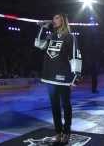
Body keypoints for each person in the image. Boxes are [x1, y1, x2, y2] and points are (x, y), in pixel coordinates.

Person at [34, 13, 82, 145]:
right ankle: (58, 132)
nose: (54, 20)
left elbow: (75, 56)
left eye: (56, 18)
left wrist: (76, 76)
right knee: (54, 106)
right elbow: (38, 44)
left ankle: (66, 132)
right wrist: (43, 28)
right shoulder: (51, 36)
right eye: (53, 18)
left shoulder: (70, 37)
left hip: (64, 77)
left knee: (66, 105)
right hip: (49, 77)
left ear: (63, 20)